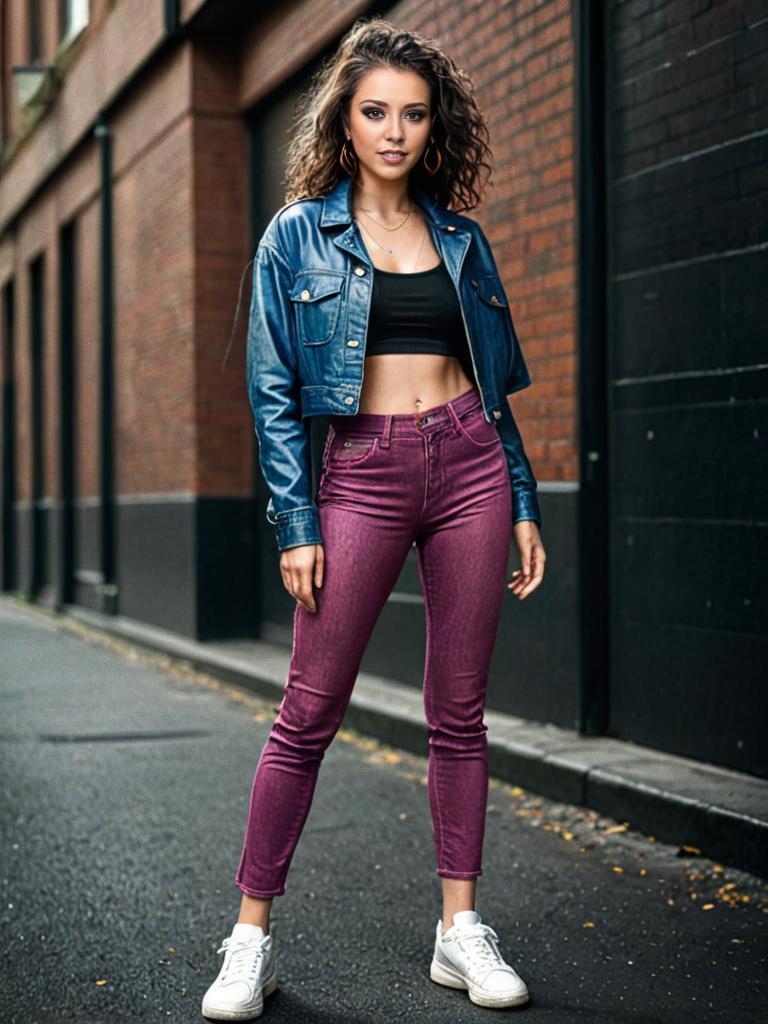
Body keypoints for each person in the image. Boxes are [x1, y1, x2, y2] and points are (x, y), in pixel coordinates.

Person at [202, 17, 546, 1020]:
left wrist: (522, 500)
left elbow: (496, 389)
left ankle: (459, 930)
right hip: (359, 473)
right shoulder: (297, 237)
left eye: (412, 114)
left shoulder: (463, 240)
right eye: (374, 112)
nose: (394, 131)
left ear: (432, 127)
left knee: (460, 712)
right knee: (307, 711)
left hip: (472, 465)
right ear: (345, 124)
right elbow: (272, 391)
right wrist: (294, 520)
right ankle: (249, 939)